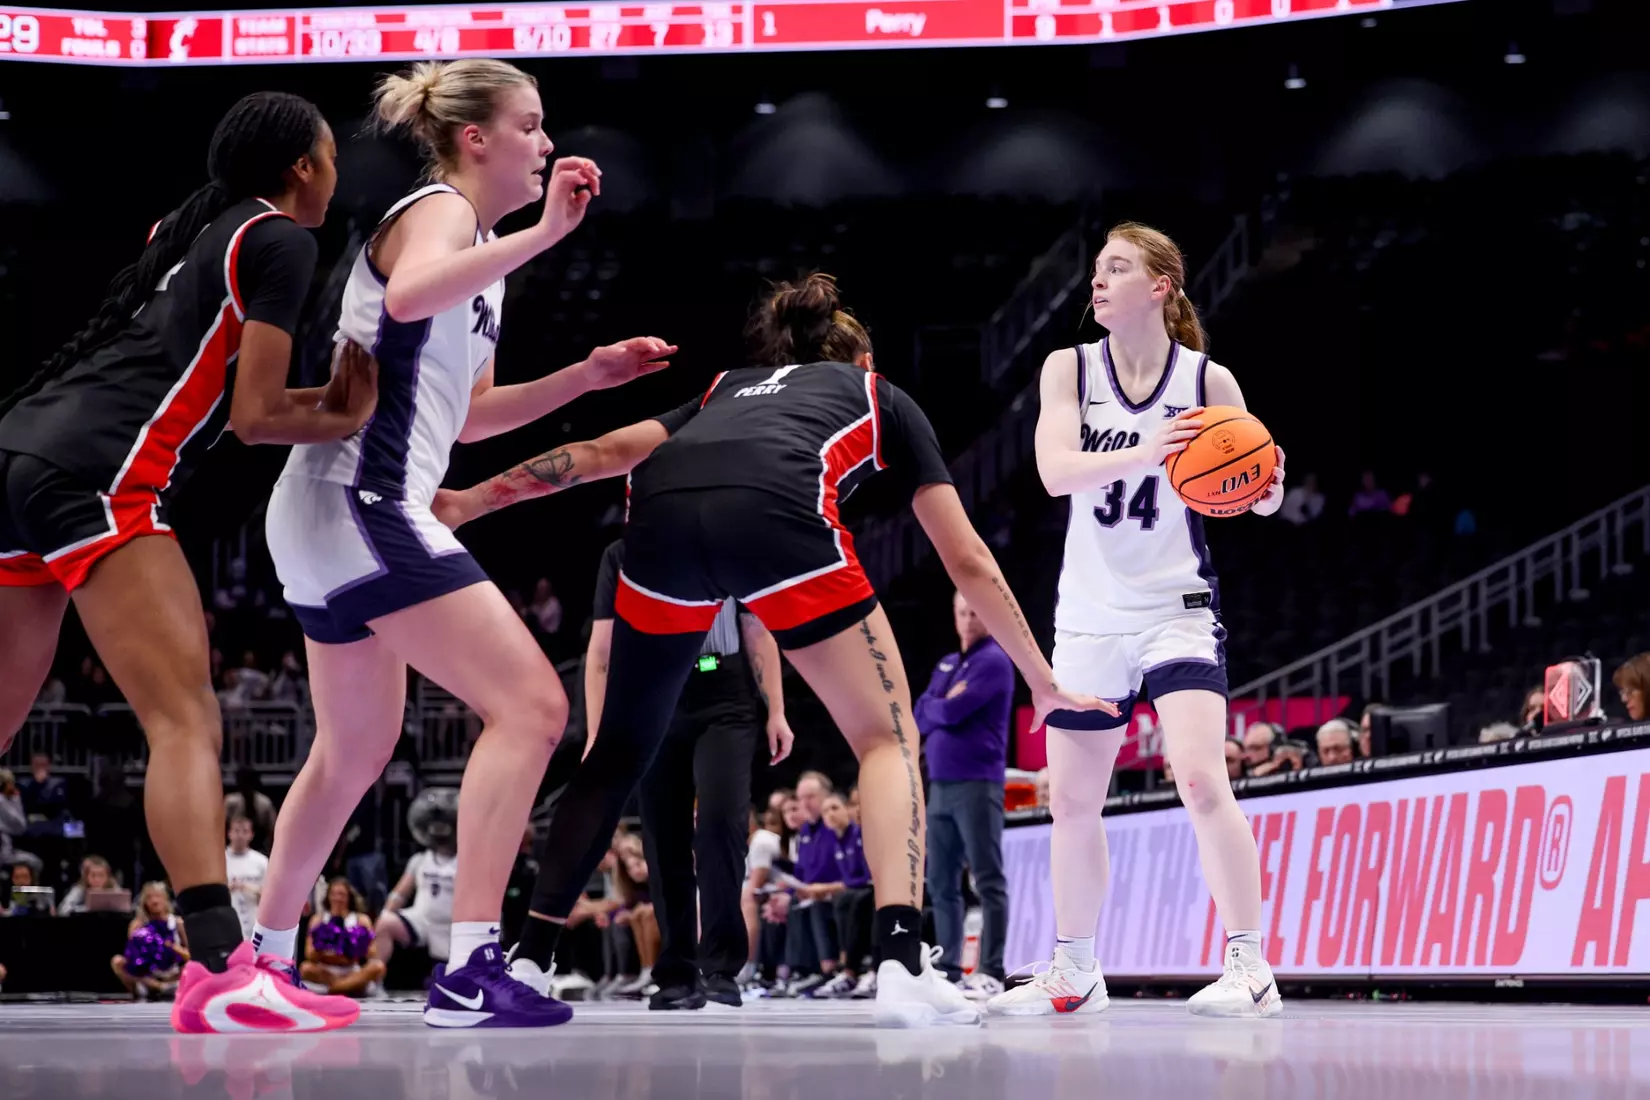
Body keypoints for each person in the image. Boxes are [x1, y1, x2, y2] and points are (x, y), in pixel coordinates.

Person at [437, 272, 1114, 1027]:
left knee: (617, 751)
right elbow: (968, 562)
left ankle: (529, 957)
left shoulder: (724, 388)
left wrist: (469, 500)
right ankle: (900, 960)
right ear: (861, 360)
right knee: (885, 738)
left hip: (657, 533)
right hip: (775, 519)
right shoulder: (876, 394)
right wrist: (1044, 683)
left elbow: (600, 453)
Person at [244, 59, 674, 1032]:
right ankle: (472, 963)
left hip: (327, 507)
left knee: (355, 748)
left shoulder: (478, 257)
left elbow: (472, 416)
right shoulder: (439, 209)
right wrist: (546, 235)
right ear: (476, 138)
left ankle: (260, 961)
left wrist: (590, 374)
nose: (548, 142)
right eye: (532, 125)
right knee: (531, 704)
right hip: (367, 495)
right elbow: (404, 302)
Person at [0, 91, 377, 1034]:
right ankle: (221, 968)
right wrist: (343, 412)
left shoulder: (189, 222)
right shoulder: (283, 240)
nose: (336, 174)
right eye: (331, 157)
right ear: (301, 168)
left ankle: (222, 966)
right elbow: (256, 415)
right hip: (101, 470)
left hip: (18, 453)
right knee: (184, 720)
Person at [989, 222, 1285, 1020]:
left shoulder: (1208, 380)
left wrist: (1267, 486)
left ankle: (1250, 965)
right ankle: (1075, 972)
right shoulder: (1068, 368)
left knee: (1198, 774)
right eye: (1096, 269)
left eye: (1116, 268)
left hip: (1174, 606)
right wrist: (1150, 447)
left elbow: (1259, 493)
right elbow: (1056, 473)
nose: (1098, 281)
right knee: (1073, 801)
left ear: (1160, 286)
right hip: (1088, 612)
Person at [586, 536, 795, 1011]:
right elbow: (601, 651)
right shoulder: (621, 556)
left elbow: (758, 630)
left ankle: (721, 967)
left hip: (724, 694)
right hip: (652, 693)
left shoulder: (728, 544)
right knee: (662, 836)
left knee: (720, 821)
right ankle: (675, 971)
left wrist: (776, 710)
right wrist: (599, 733)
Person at [915, 589, 1014, 998]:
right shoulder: (949, 662)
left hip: (977, 783)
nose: (968, 620)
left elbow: (948, 711)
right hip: (940, 786)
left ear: (988, 616)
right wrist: (939, 704)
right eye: (961, 612)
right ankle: (949, 966)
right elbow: (920, 712)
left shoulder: (994, 661)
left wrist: (939, 704)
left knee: (987, 878)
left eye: (975, 613)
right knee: (940, 882)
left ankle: (991, 967)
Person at [302, 878, 387, 997]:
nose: (337, 898)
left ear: (349, 897)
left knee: (378, 967)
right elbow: (309, 954)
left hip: (352, 971)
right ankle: (348, 987)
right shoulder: (318, 920)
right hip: (326, 972)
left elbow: (372, 953)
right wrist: (324, 945)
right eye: (334, 894)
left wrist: (354, 945)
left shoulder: (361, 920)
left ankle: (335, 989)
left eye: (341, 894)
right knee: (305, 968)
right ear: (328, 896)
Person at [113, 883, 186, 1000]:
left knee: (193, 965)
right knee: (117, 961)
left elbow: (191, 955)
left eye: (158, 896)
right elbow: (131, 956)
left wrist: (174, 948)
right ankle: (160, 988)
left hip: (173, 973)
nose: (154, 901)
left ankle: (169, 987)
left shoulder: (177, 923)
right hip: (147, 976)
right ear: (144, 902)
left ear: (166, 899)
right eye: (150, 897)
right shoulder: (138, 925)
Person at [225, 815, 268, 938]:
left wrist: (247, 887)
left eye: (244, 831)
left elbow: (269, 894)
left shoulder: (261, 861)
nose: (240, 835)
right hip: (229, 919)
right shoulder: (220, 860)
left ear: (251, 834)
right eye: (236, 831)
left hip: (254, 919)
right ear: (229, 833)